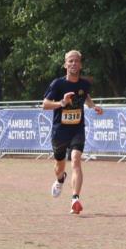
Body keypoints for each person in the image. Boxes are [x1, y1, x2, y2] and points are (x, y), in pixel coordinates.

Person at [42, 50, 103, 215]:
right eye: (70, 61)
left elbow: (86, 97)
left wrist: (93, 106)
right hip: (60, 131)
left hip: (77, 129)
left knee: (76, 160)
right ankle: (60, 179)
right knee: (59, 167)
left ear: (80, 64)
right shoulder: (58, 84)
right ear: (65, 64)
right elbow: (45, 104)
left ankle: (75, 199)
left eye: (76, 61)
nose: (73, 64)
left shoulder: (84, 84)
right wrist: (62, 103)